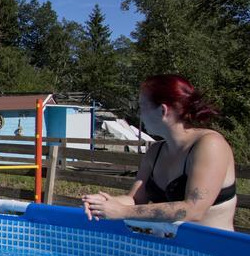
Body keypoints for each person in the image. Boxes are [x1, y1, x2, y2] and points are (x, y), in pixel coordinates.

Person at [82, 74, 236, 231]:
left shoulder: (210, 145)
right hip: (172, 251)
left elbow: (194, 210)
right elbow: (135, 199)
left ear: (163, 110)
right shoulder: (155, 152)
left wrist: (122, 211)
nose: (139, 115)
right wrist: (104, 203)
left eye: (141, 107)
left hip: (213, 251)